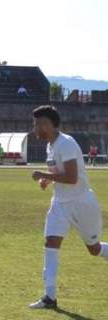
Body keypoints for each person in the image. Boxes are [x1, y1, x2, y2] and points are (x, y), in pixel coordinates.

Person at [29, 105, 108, 309]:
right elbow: (60, 173)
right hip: (60, 204)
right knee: (50, 243)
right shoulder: (50, 146)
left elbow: (72, 178)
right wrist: (48, 181)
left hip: (81, 204)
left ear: (47, 124)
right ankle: (50, 297)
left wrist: (44, 175)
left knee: (94, 249)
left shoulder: (65, 143)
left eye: (37, 124)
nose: (34, 128)